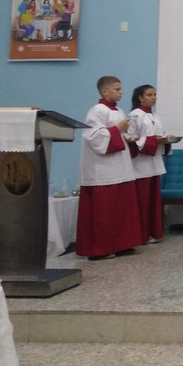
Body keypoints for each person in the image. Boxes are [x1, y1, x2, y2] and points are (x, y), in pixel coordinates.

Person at [77, 76, 143, 260]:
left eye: (121, 89)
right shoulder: (97, 111)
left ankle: (121, 244)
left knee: (120, 209)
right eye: (117, 89)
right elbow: (93, 137)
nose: (121, 92)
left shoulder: (119, 111)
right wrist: (117, 129)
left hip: (121, 167)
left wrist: (130, 137)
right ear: (105, 91)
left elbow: (121, 134)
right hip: (102, 170)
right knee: (104, 211)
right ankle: (101, 248)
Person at [129, 84, 169, 245]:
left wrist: (165, 140)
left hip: (154, 162)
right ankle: (141, 234)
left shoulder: (155, 116)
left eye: (155, 94)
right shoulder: (134, 116)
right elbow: (131, 139)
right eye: (149, 95)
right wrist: (153, 140)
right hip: (140, 164)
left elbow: (156, 136)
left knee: (153, 201)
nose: (153, 98)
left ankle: (153, 232)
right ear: (140, 97)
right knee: (142, 201)